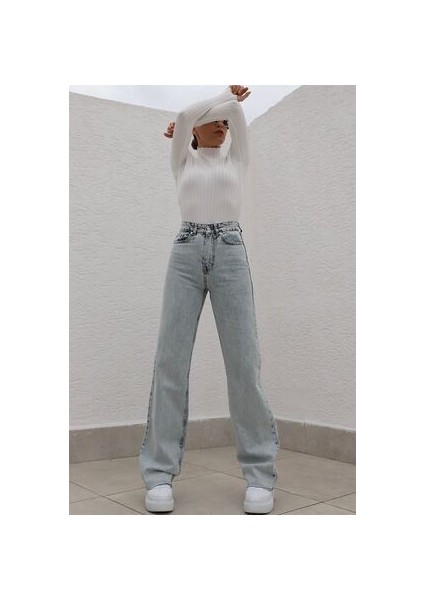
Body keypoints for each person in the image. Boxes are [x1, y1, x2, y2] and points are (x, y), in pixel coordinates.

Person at [139, 85, 280, 514]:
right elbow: (185, 118)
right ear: (195, 133)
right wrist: (221, 95)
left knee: (244, 362)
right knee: (170, 362)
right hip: (185, 252)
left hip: (230, 251)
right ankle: (158, 473)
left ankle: (259, 474)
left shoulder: (237, 157)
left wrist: (227, 104)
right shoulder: (182, 159)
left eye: (224, 121)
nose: (221, 124)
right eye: (212, 121)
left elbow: (233, 113)